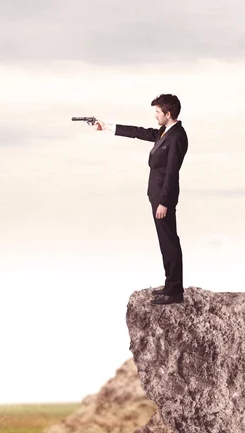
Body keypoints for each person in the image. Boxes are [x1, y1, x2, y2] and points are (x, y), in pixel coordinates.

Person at [93, 94, 188, 305]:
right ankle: (170, 285)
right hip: (156, 194)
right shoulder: (166, 131)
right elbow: (141, 132)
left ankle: (174, 291)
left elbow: (172, 172)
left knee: (169, 241)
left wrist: (164, 201)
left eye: (157, 112)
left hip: (164, 197)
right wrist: (108, 126)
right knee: (165, 241)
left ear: (168, 114)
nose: (155, 116)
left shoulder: (178, 137)